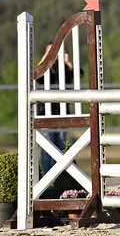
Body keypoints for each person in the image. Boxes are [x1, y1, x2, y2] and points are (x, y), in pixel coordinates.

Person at [35, 42, 82, 175]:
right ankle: (47, 177)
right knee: (47, 148)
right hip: (45, 113)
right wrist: (45, 60)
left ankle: (61, 176)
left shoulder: (64, 69)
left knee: (62, 147)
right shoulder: (44, 69)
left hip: (62, 113)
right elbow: (36, 77)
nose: (54, 55)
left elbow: (78, 74)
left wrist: (68, 62)